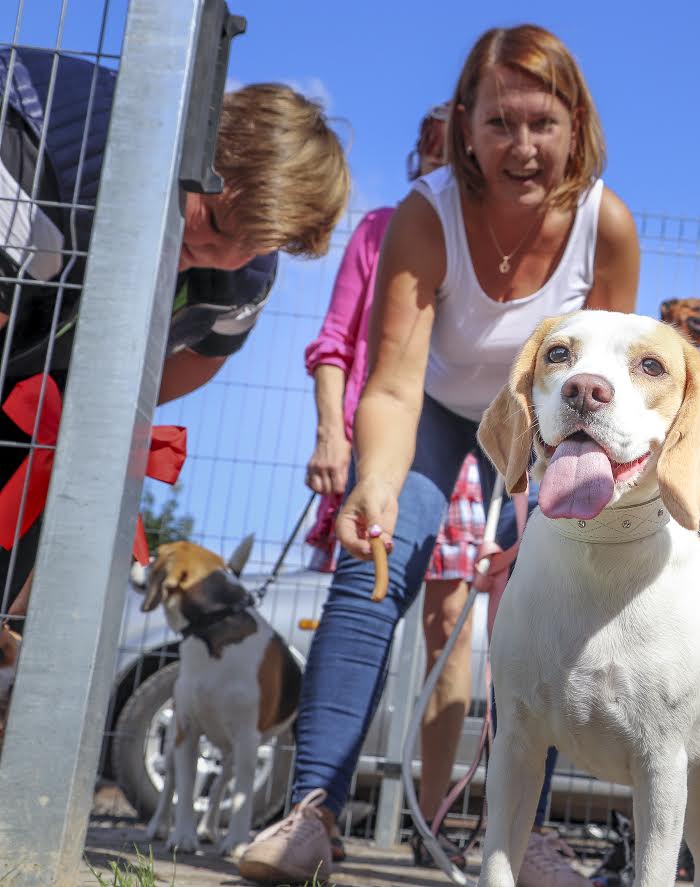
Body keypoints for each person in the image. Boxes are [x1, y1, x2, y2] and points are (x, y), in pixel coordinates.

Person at [238, 24, 640, 885]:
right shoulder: (427, 214)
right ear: (463, 126)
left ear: (576, 125)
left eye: (542, 122)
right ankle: (312, 812)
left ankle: (519, 837)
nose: (522, 147)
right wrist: (374, 483)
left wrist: (557, 511)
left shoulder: (605, 226)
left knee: (542, 600)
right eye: (500, 123)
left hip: (539, 424)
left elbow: (601, 386)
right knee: (373, 561)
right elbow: (389, 385)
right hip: (435, 407)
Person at [0, 46, 349, 619]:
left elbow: (206, 355)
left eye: (251, 246)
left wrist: (97, 407)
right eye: (213, 221)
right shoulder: (50, 153)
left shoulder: (244, 276)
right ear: (202, 148)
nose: (218, 252)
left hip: (34, 369)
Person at [300, 103, 477, 864]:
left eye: (456, 150)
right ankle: (317, 809)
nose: (445, 164)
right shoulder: (378, 229)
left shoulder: (480, 234)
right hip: (381, 438)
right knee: (367, 598)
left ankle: (431, 823)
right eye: (433, 148)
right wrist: (332, 432)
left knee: (452, 628)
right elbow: (335, 343)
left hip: (454, 444)